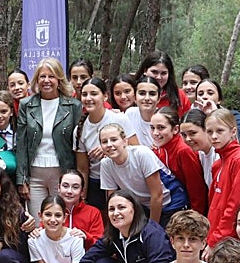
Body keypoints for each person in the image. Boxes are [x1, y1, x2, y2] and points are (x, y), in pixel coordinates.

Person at [15, 58, 82, 218]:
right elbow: (22, 143)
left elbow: (79, 143)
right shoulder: (27, 104)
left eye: (51, 76)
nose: (46, 81)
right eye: (42, 76)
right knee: (38, 223)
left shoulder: (73, 106)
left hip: (63, 174)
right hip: (34, 175)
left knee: (61, 220)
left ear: (59, 79)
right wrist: (21, 179)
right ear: (37, 80)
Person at [98, 123, 189, 225]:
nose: (109, 145)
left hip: (170, 202)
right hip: (143, 207)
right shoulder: (105, 164)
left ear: (125, 141)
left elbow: (157, 195)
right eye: (104, 142)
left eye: (114, 139)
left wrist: (153, 228)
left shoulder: (142, 154)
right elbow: (113, 198)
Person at [74, 76, 131, 213]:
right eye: (85, 94)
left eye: (94, 94)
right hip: (96, 182)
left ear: (105, 96)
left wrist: (109, 148)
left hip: (122, 179)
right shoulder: (80, 129)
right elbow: (83, 168)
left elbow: (134, 148)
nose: (88, 98)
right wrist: (83, 197)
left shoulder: (119, 118)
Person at [204, 108, 240, 247]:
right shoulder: (218, 163)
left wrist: (216, 239)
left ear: (233, 131)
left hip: (230, 240)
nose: (214, 136)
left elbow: (237, 206)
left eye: (220, 131)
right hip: (216, 234)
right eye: (209, 132)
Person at [150, 107, 207, 215]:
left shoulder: (183, 150)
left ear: (175, 129)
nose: (155, 133)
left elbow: (196, 187)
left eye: (161, 128)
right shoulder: (161, 147)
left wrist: (196, 216)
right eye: (152, 128)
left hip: (189, 208)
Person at [192, 79, 240, 146]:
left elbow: (237, 140)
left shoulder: (234, 116)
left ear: (219, 99)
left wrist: (215, 113)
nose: (204, 97)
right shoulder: (193, 121)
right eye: (200, 94)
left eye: (210, 93)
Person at [56, 169, 104, 245]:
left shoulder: (93, 212)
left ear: (82, 191)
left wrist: (86, 236)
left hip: (87, 256)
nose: (69, 191)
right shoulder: (51, 210)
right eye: (65, 186)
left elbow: (101, 244)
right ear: (59, 188)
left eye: (75, 187)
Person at [137, 51, 187, 118]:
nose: (159, 77)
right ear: (145, 71)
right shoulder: (132, 91)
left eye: (163, 73)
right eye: (154, 72)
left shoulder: (179, 96)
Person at [179, 108, 216, 188]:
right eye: (184, 135)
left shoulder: (218, 155)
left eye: (192, 133)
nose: (188, 139)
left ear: (206, 130)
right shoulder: (201, 154)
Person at [125, 76, 160, 148]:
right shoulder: (130, 114)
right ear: (135, 98)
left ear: (159, 99)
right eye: (142, 93)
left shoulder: (165, 118)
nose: (147, 98)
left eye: (152, 94)